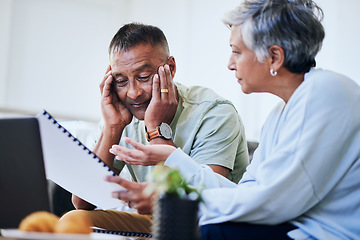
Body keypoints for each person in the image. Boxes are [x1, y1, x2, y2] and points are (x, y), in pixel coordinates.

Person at [106, 1, 360, 239]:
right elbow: (244, 195)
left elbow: (273, 204)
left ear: (274, 57)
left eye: (237, 52)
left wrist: (170, 202)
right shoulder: (279, 114)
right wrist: (170, 157)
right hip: (293, 229)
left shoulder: (325, 93)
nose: (230, 64)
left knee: (209, 230)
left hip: (321, 234)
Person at [62, 23, 249, 234]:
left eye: (143, 77)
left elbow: (196, 206)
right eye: (121, 80)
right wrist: (112, 129)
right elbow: (82, 202)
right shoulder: (121, 113)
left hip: (206, 226)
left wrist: (156, 128)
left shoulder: (215, 113)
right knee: (74, 221)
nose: (133, 93)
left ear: (170, 68)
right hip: (153, 224)